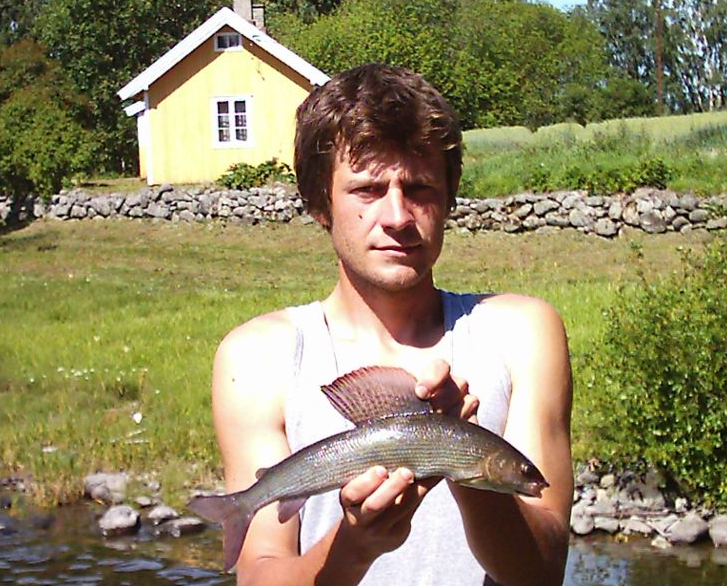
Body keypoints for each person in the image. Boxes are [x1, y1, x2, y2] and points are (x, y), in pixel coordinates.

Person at [210, 63, 572, 585]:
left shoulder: (521, 334)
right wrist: (353, 548)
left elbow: (542, 573)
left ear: (449, 197)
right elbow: (259, 576)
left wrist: (459, 452)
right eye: (368, 189)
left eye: (420, 188)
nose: (398, 216)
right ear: (319, 203)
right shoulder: (257, 358)